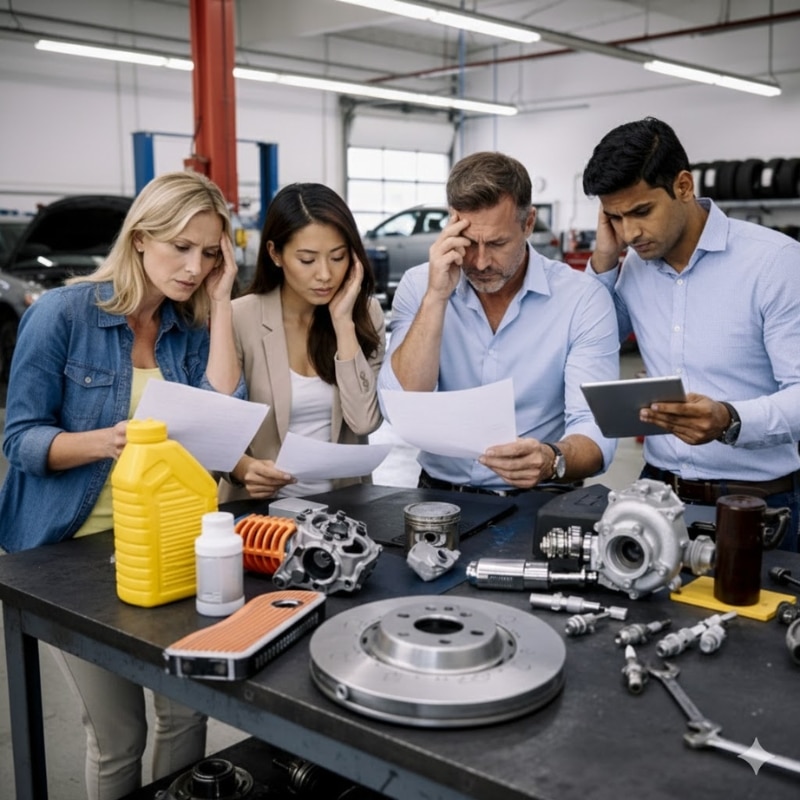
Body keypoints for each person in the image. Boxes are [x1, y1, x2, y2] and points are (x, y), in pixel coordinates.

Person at [0, 170, 246, 799]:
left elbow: (224, 408)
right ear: (140, 239)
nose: (195, 266)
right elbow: (20, 439)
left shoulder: (187, 327)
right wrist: (109, 440)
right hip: (68, 552)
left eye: (210, 252)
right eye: (181, 247)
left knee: (186, 712)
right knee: (119, 737)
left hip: (164, 545)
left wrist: (220, 306)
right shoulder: (63, 314)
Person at [582, 116, 800, 551]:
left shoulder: (775, 263)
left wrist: (729, 419)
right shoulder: (631, 268)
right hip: (657, 495)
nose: (630, 233)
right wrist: (604, 262)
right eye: (615, 217)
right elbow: (591, 340)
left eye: (641, 212)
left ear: (684, 185)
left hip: (758, 505)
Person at [377, 151, 619, 495]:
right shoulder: (420, 287)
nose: (480, 260)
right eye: (468, 242)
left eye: (497, 243)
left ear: (529, 223)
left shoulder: (582, 299)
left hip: (541, 495)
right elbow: (400, 404)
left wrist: (553, 458)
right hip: (439, 495)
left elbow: (595, 426)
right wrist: (435, 297)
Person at [218, 182, 385, 502]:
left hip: (344, 509)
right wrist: (244, 468)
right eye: (307, 260)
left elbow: (364, 422)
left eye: (337, 257)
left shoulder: (365, 314)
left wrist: (343, 324)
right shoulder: (239, 318)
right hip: (260, 515)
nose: (325, 274)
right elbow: (217, 427)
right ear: (275, 254)